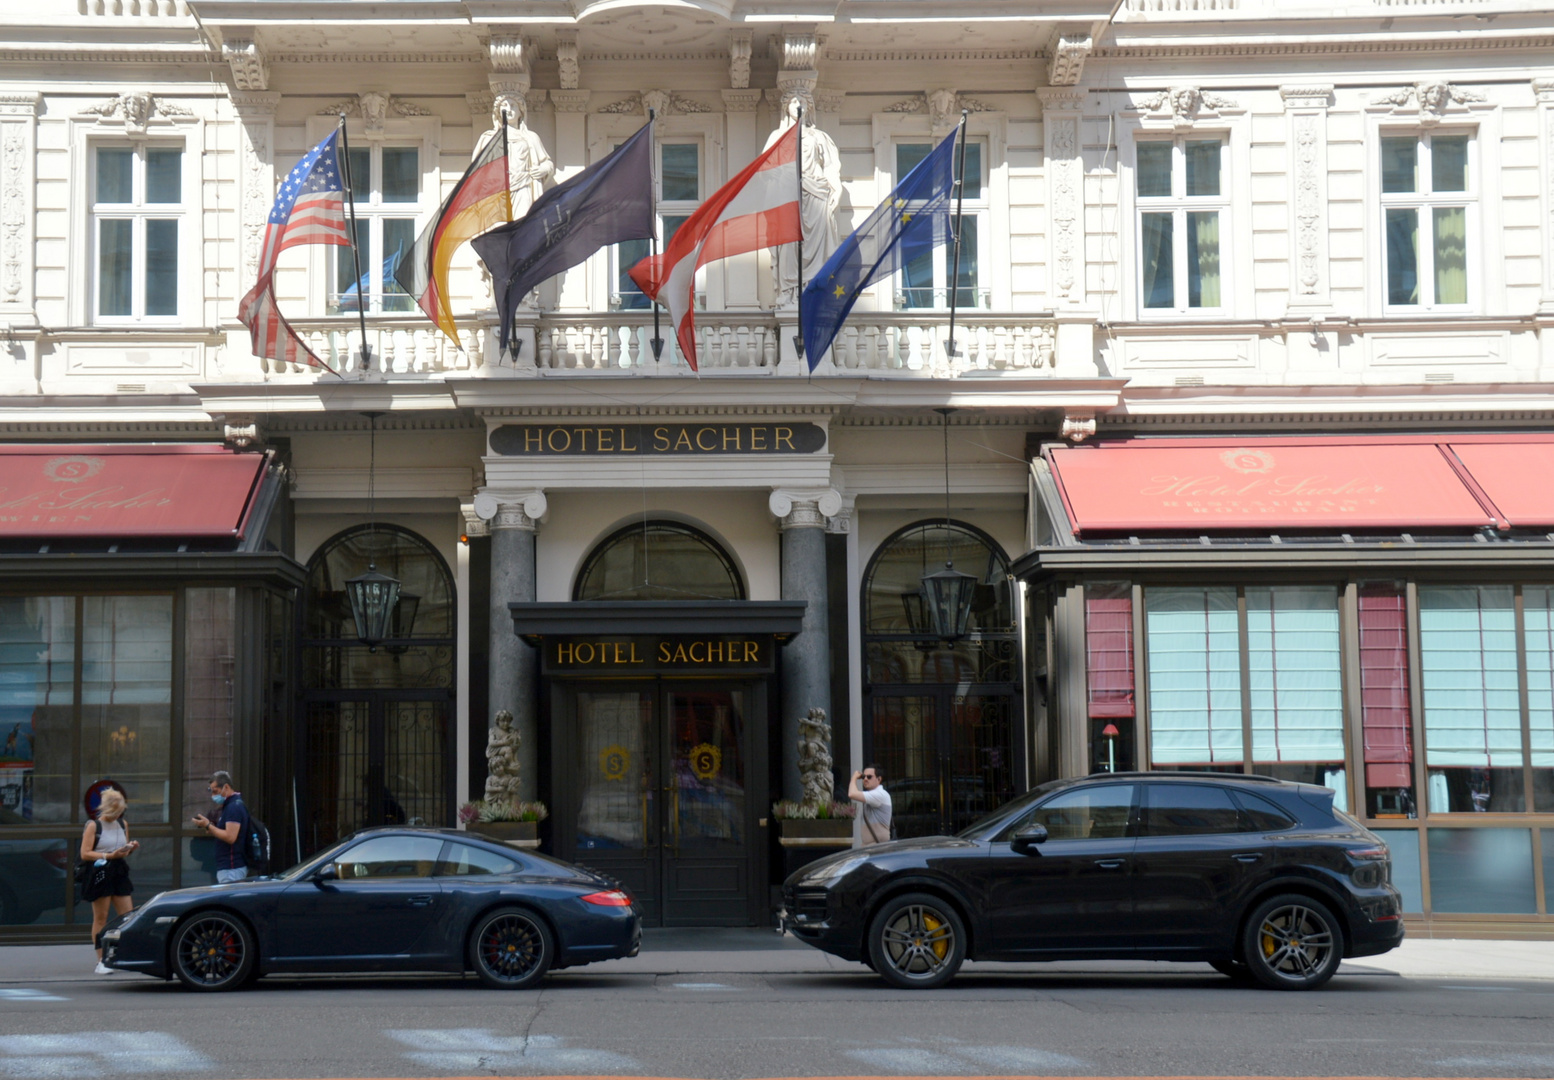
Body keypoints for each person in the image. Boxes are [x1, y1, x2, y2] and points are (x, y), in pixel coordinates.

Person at [80, 787, 137, 974]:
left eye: (120, 812)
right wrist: (109, 855)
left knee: (127, 915)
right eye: (114, 812)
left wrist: (130, 847)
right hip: (100, 871)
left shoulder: (123, 824)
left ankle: (124, 954)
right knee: (101, 917)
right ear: (106, 809)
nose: (117, 816)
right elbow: (85, 853)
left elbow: (124, 850)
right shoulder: (93, 826)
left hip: (118, 870)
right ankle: (101, 960)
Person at [192, 770, 249, 884]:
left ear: (226, 787)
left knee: (228, 900)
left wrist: (208, 826)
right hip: (228, 868)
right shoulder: (229, 806)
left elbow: (230, 837)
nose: (213, 796)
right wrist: (211, 826)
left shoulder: (234, 807)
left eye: (215, 791)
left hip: (231, 869)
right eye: (211, 792)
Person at [848, 765, 892, 847]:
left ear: (879, 779)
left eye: (869, 777)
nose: (865, 779)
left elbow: (852, 794)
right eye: (863, 776)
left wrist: (854, 778)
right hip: (870, 847)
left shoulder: (880, 794)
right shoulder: (871, 795)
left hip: (878, 847)